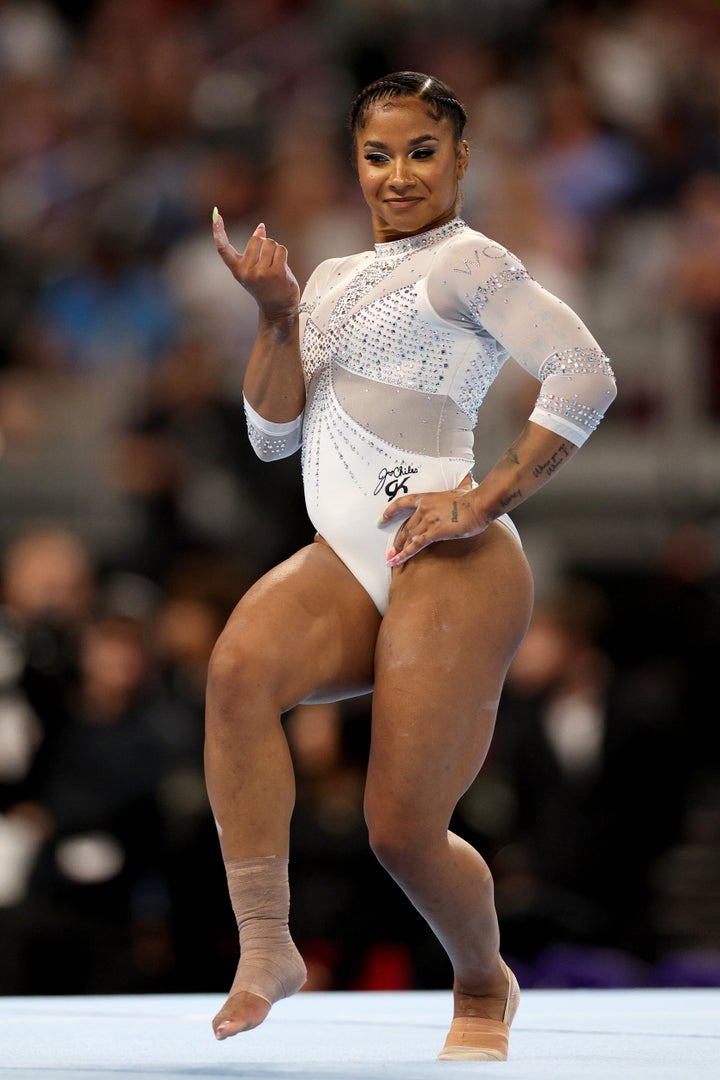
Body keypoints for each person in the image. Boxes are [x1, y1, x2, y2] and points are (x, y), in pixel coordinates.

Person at [206, 71, 617, 1061]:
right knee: (234, 676)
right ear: (356, 165)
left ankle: (482, 984)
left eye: (421, 151)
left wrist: (485, 495)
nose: (399, 175)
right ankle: (268, 946)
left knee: (399, 830)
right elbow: (270, 436)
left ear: (460, 159)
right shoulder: (336, 278)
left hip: (454, 558)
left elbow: (585, 372)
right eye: (377, 155)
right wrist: (274, 314)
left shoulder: (471, 264)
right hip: (350, 555)